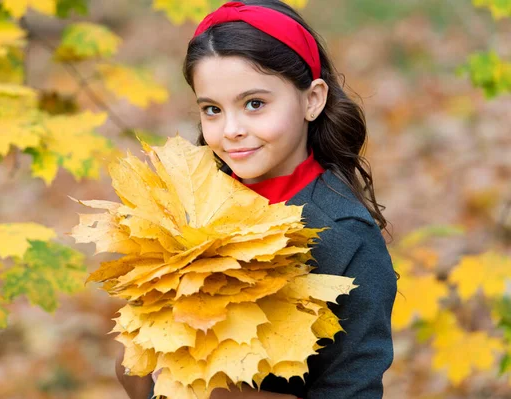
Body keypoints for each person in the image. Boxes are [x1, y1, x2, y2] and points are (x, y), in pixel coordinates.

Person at [115, 1, 399, 398]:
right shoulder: (186, 210)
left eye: (254, 104)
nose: (231, 130)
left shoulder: (346, 239)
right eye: (212, 109)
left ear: (312, 99)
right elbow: (138, 371)